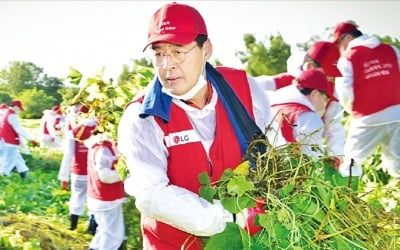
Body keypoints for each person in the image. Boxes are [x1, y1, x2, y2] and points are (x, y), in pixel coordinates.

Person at [117, 2, 282, 249]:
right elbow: (150, 193)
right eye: (159, 53)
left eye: (178, 51)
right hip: (174, 243)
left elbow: (275, 152)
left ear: (206, 49)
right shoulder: (143, 116)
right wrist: (228, 218)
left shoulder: (244, 90)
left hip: (244, 240)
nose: (167, 65)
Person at [332, 21, 400, 178]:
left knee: (351, 161)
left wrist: (352, 111)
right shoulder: (392, 50)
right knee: (397, 161)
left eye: (338, 43)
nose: (338, 48)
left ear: (348, 37)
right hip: (398, 115)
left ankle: (348, 198)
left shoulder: (348, 58)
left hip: (368, 118)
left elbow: (345, 92)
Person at [261, 41, 345, 162]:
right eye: (328, 74)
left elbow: (334, 129)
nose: (331, 80)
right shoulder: (276, 83)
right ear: (310, 67)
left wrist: (337, 156)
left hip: (295, 157)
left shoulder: (331, 95)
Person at [270, 69, 330, 157]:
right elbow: (314, 160)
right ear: (315, 94)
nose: (325, 104)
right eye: (325, 99)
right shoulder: (308, 117)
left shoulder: (273, 106)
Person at [84, 129, 126, 250]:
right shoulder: (104, 149)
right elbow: (105, 176)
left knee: (104, 232)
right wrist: (124, 173)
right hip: (106, 198)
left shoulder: (99, 146)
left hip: (102, 197)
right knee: (112, 237)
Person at [57, 105, 97, 231]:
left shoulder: (74, 132)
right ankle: (92, 228)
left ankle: (72, 225)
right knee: (94, 198)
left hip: (78, 170)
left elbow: (68, 154)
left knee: (77, 196)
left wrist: (64, 177)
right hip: (95, 172)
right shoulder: (101, 129)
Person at [0, 100, 38, 178]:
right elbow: (18, 129)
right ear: (16, 107)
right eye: (19, 109)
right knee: (9, 160)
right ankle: (3, 175)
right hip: (10, 141)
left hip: (5, 140)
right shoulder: (12, 115)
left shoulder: (6, 113)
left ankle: (23, 173)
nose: (20, 111)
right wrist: (31, 139)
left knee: (18, 159)